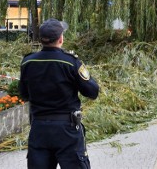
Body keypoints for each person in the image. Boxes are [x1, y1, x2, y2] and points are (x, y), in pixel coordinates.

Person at [19, 18, 100, 169]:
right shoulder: (70, 62)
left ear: (41, 39)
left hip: (39, 129)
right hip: (67, 130)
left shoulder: (28, 62)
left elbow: (23, 94)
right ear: (61, 39)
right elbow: (92, 91)